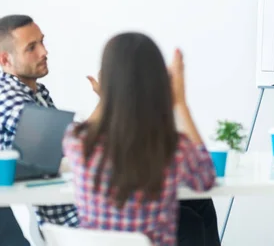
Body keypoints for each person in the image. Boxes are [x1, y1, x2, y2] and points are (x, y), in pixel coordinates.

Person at [62, 32, 219, 246]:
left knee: (192, 214)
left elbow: (93, 127)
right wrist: (180, 102)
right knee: (191, 216)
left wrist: (106, 97)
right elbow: (206, 180)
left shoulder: (76, 139)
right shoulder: (171, 147)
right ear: (158, 82)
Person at [0, 15, 79, 236]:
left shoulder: (39, 92)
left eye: (42, 42)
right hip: (59, 220)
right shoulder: (7, 97)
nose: (44, 52)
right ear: (5, 60)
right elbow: (69, 143)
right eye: (31, 48)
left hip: (67, 200)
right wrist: (110, 102)